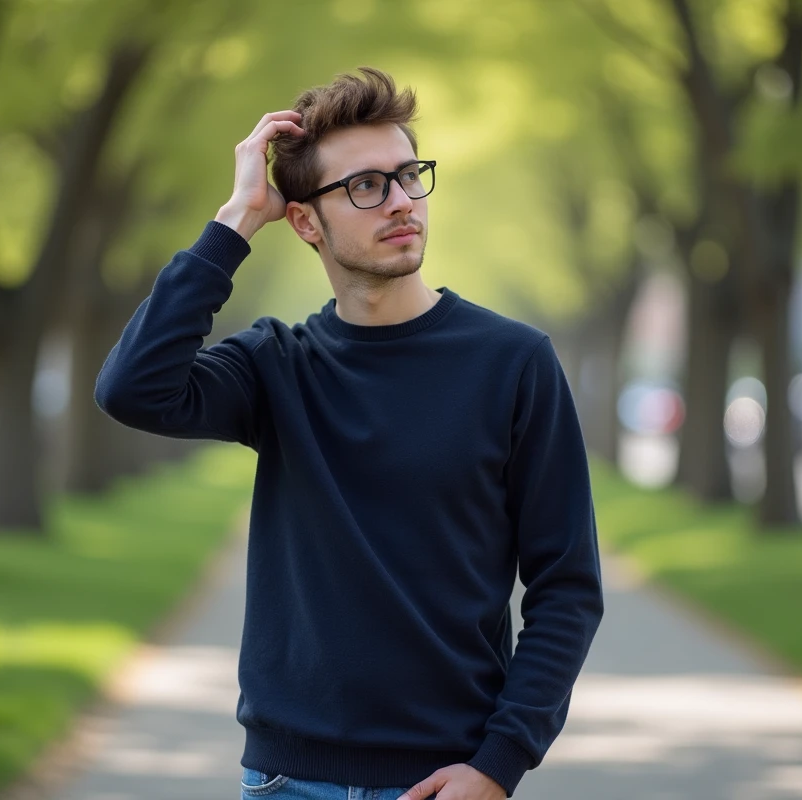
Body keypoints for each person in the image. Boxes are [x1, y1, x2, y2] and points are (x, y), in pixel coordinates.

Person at [95, 67, 604, 800]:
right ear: (306, 222)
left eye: (408, 176)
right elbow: (132, 388)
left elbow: (567, 586)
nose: (401, 203)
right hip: (285, 780)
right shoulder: (276, 365)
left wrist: (500, 764)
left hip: (444, 780)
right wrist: (236, 218)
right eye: (366, 186)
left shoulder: (514, 362)